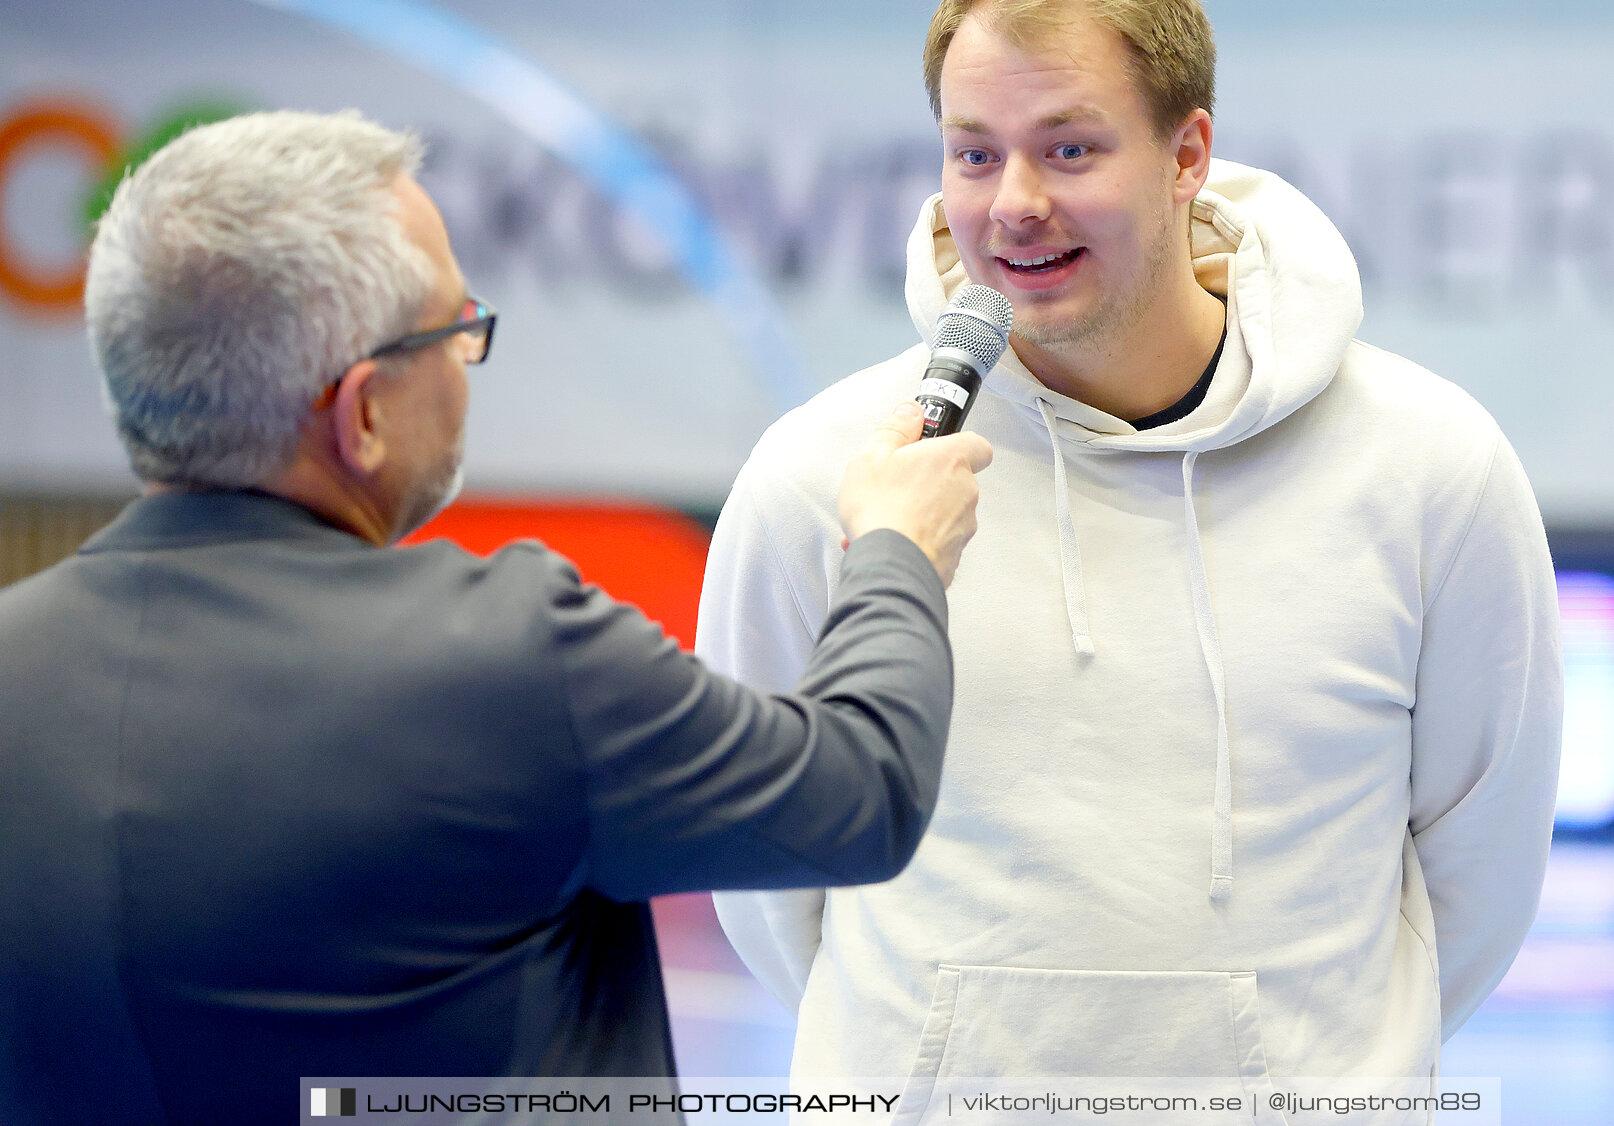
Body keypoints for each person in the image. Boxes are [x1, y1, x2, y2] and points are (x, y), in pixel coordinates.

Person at [0, 110, 991, 1126]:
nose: (467, 354)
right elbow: (862, 791)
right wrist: (897, 548)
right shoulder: (507, 653)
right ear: (364, 414)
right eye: (452, 326)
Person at [701, 0, 1563, 1098]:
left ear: (1186, 152)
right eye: (973, 152)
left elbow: (1483, 865)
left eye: (1069, 147)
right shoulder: (830, 473)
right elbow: (770, 865)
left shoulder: (1426, 466)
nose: (1012, 204)